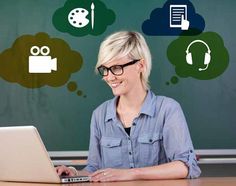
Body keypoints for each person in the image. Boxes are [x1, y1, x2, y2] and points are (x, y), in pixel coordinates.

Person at [56, 31, 201, 182]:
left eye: (117, 68)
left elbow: (186, 166)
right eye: (105, 69)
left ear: (140, 65)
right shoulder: (99, 114)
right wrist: (73, 172)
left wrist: (133, 173)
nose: (109, 77)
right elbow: (94, 168)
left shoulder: (168, 109)